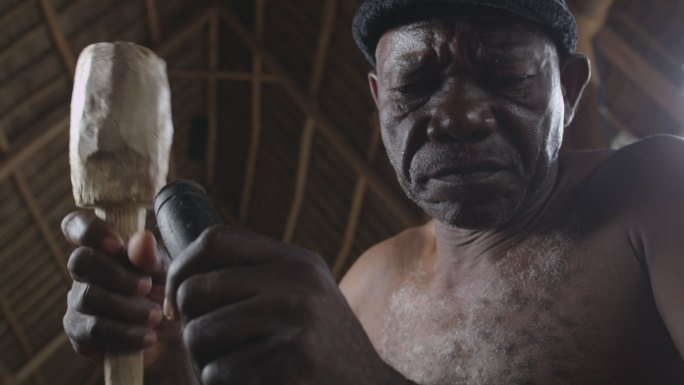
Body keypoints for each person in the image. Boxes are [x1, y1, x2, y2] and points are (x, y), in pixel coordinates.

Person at [61, 0, 684, 384]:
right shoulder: (367, 282)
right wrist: (168, 364)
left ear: (569, 92)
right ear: (378, 99)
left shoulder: (658, 191)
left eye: (505, 74)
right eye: (415, 82)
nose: (459, 113)